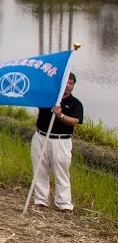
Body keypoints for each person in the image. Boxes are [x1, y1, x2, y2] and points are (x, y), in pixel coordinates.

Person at [32, 73, 82, 211]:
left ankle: (64, 203)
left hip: (61, 141)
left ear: (73, 86)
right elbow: (33, 93)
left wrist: (60, 115)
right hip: (41, 137)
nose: (67, 86)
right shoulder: (47, 98)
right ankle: (41, 200)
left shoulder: (75, 104)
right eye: (65, 82)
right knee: (40, 170)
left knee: (61, 171)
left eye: (70, 83)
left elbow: (75, 122)